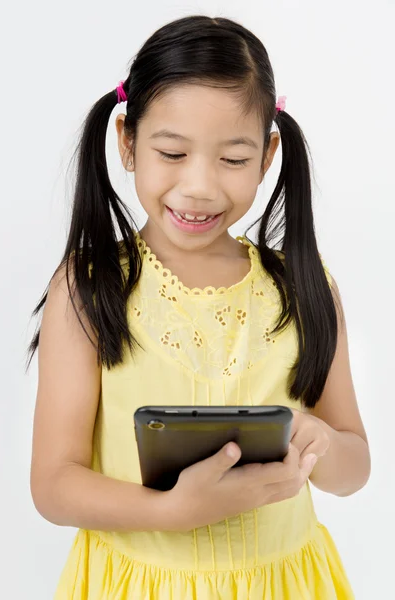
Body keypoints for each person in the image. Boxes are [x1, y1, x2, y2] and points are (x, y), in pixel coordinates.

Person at [27, 14, 371, 600]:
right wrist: (172, 512)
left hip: (284, 584)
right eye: (172, 152)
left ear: (267, 156)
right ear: (128, 143)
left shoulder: (305, 287)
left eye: (233, 160)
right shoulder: (89, 287)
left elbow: (354, 466)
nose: (199, 186)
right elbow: (54, 485)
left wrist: (321, 443)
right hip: (138, 586)